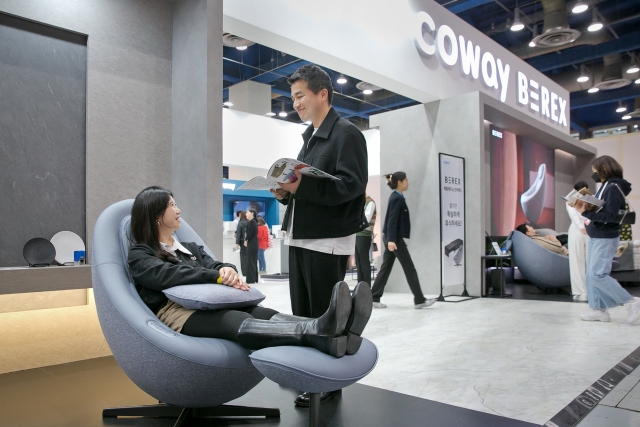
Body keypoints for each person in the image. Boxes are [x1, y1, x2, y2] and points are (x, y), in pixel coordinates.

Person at [126, 186, 372, 359]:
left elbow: (215, 265)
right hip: (176, 312)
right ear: (156, 215)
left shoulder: (189, 248)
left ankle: (332, 328)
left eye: (176, 204)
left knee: (261, 312)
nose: (178, 210)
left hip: (210, 303)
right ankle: (324, 332)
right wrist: (216, 276)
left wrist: (227, 270)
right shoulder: (140, 254)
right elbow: (168, 275)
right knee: (236, 321)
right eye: (171, 206)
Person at [269, 64, 370, 407]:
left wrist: (301, 185)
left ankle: (327, 381)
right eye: (293, 96)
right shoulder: (309, 138)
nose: (295, 103)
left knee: (324, 315)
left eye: (300, 96)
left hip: (326, 240)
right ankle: (311, 376)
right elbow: (305, 186)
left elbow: (352, 186)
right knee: (303, 316)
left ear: (322, 94)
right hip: (301, 235)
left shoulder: (347, 134)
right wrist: (286, 192)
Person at [575, 156, 640, 323]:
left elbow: (610, 215)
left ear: (603, 168)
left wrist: (585, 213)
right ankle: (598, 310)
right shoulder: (606, 186)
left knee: (597, 275)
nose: (593, 174)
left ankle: (631, 302)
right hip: (597, 235)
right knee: (591, 275)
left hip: (604, 237)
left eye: (595, 170)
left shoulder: (612, 187)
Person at [371, 172, 436, 309]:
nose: (408, 182)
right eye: (406, 180)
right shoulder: (396, 198)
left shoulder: (397, 197)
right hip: (393, 238)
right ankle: (419, 300)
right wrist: (392, 240)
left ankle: (374, 297)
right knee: (409, 268)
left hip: (393, 237)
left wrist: (392, 239)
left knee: (386, 268)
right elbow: (392, 221)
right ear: (399, 182)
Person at [567, 181, 590, 302]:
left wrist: (581, 226)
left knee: (577, 261)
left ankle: (580, 292)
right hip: (588, 230)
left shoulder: (570, 198)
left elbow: (573, 214)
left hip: (578, 230)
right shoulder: (590, 198)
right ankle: (585, 291)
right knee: (587, 261)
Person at [355, 194, 376, 286]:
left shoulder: (370, 202)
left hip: (364, 235)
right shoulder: (359, 202)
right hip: (356, 234)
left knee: (364, 262)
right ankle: (360, 288)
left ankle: (366, 288)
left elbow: (365, 220)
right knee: (358, 263)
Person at [243, 209, 259, 284]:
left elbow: (249, 233)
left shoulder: (251, 222)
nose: (246, 214)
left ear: (252, 213)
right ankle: (254, 278)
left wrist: (246, 240)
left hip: (251, 243)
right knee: (253, 261)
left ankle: (250, 279)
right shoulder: (254, 222)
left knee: (250, 261)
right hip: (254, 243)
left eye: (247, 212)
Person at [235, 210, 248, 278]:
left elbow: (238, 234)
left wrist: (237, 243)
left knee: (243, 258)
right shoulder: (249, 222)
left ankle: (245, 272)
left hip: (242, 243)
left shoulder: (240, 223)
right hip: (249, 242)